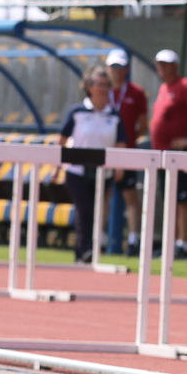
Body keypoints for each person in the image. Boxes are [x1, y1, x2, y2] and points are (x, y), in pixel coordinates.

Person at [58, 68, 122, 264]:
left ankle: (86, 250)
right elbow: (62, 140)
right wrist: (56, 167)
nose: (103, 89)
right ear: (89, 87)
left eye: (106, 85)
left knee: (96, 211)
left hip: (103, 173)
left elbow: (121, 143)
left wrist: (119, 167)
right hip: (76, 171)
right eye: (99, 84)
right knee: (84, 209)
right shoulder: (77, 112)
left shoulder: (114, 115)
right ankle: (85, 249)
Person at [149, 49, 187, 258]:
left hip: (180, 154)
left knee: (182, 199)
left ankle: (182, 243)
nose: (162, 68)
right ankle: (170, 243)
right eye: (159, 64)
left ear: (175, 66)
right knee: (169, 200)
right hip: (162, 155)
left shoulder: (185, 85)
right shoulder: (164, 87)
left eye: (166, 64)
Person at [104, 49, 148, 254]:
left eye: (121, 67)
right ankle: (99, 237)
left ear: (127, 69)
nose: (117, 71)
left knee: (130, 196)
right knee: (103, 194)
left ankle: (133, 239)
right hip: (104, 152)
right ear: (107, 68)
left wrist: (128, 140)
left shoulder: (136, 92)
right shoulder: (101, 90)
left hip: (128, 152)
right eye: (114, 66)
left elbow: (143, 124)